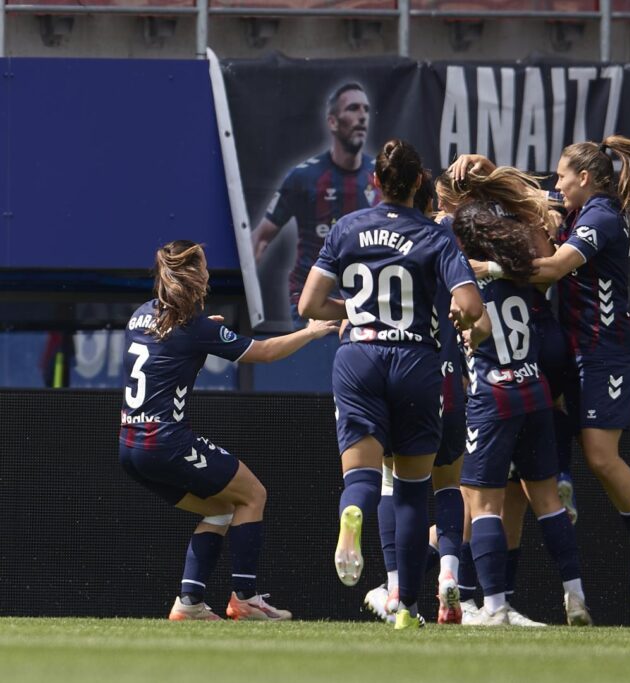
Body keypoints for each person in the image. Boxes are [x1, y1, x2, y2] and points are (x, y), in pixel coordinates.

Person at [452, 135, 630, 610]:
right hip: (570, 346)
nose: (555, 185)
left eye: (562, 176)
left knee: (601, 455)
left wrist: (486, 269)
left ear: (584, 178)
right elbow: (529, 196)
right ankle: (555, 486)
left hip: (606, 351)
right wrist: (487, 168)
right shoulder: (576, 205)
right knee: (529, 437)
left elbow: (554, 268)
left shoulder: (599, 215)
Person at [297, 139, 486, 630]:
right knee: (410, 491)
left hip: (358, 356)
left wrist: (356, 312)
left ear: (375, 182)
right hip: (416, 362)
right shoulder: (435, 236)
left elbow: (309, 305)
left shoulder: (345, 227)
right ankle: (407, 608)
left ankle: (351, 516)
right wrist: (459, 320)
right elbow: (470, 306)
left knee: (361, 479)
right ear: (420, 182)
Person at [118, 240, 339, 621]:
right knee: (253, 494)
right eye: (203, 265)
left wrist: (204, 333)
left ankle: (188, 604)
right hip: (166, 441)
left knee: (221, 509)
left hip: (130, 447)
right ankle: (246, 599)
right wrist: (312, 332)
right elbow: (265, 353)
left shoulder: (140, 315)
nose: (208, 272)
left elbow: (168, 350)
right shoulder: (193, 328)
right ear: (194, 274)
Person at [451, 201, 592, 626]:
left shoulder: (465, 281)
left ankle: (494, 607)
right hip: (535, 392)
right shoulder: (519, 273)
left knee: (484, 505)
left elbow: (473, 329)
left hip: (493, 398)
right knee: (547, 502)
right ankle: (576, 596)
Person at [251, 82, 381, 329]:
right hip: (311, 300)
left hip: (366, 300)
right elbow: (260, 238)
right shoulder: (303, 177)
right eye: (353, 108)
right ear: (332, 122)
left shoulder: (379, 176)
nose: (362, 116)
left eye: (365, 109)